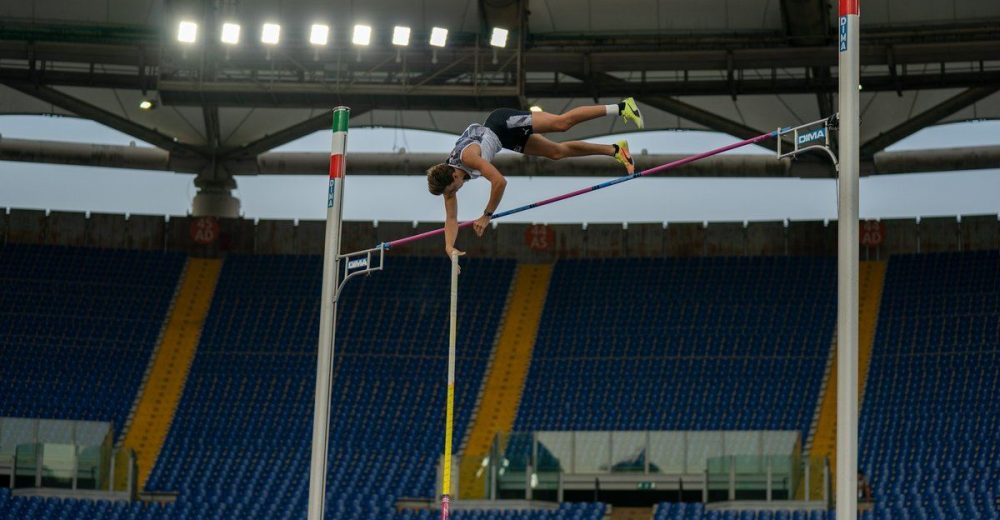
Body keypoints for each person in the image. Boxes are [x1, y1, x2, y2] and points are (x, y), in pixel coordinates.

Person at [425, 98, 644, 256]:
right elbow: (451, 219)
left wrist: (487, 215)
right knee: (557, 153)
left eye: (453, 189)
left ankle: (622, 107)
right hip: (503, 139)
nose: (454, 194)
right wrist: (449, 247)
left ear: (453, 174)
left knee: (562, 124)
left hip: (501, 123)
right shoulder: (449, 182)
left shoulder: (469, 157)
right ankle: (616, 151)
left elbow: (500, 181)